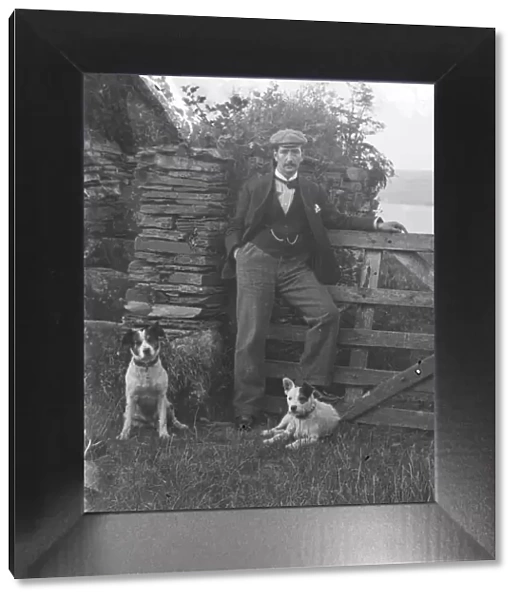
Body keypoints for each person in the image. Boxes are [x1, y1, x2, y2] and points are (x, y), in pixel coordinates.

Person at [221, 129, 407, 431]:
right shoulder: (255, 186)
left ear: (302, 156)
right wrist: (237, 251)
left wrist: (376, 223)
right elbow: (234, 225)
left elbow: (336, 219)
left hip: (295, 265)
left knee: (326, 314)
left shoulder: (312, 189)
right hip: (256, 262)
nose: (290, 157)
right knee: (251, 333)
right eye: (284, 151)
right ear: (275, 155)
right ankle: (246, 408)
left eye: (295, 151)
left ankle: (309, 392)